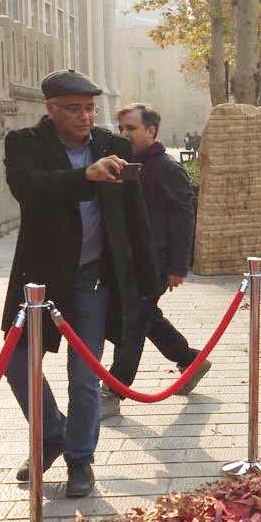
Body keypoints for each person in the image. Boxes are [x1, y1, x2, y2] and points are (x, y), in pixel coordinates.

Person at [1, 70, 158, 498]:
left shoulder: (114, 146)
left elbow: (133, 215)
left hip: (95, 278)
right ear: (50, 110)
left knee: (85, 376)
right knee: (16, 364)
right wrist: (84, 176)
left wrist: (150, 273)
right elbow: (29, 190)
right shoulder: (25, 144)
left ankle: (80, 460)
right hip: (39, 282)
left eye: (90, 108)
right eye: (74, 109)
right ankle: (52, 432)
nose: (85, 117)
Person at [100, 103, 211, 419]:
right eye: (121, 129)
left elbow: (183, 218)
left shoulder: (166, 167)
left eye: (131, 128)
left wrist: (178, 266)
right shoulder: (124, 165)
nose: (125, 134)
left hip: (157, 264)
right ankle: (190, 360)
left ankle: (114, 390)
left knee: (132, 323)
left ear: (151, 130)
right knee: (145, 317)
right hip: (127, 263)